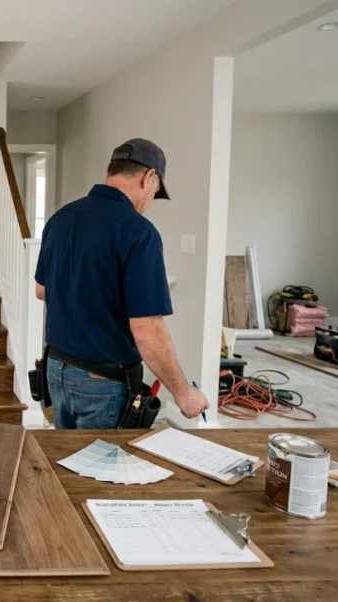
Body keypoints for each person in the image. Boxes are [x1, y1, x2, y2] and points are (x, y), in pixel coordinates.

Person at [34, 138, 209, 429]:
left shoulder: (60, 219)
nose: (150, 201)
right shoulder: (139, 232)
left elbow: (42, 290)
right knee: (100, 469)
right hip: (100, 383)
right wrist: (183, 392)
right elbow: (147, 330)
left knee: (66, 462)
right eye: (155, 191)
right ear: (148, 177)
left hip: (56, 370)